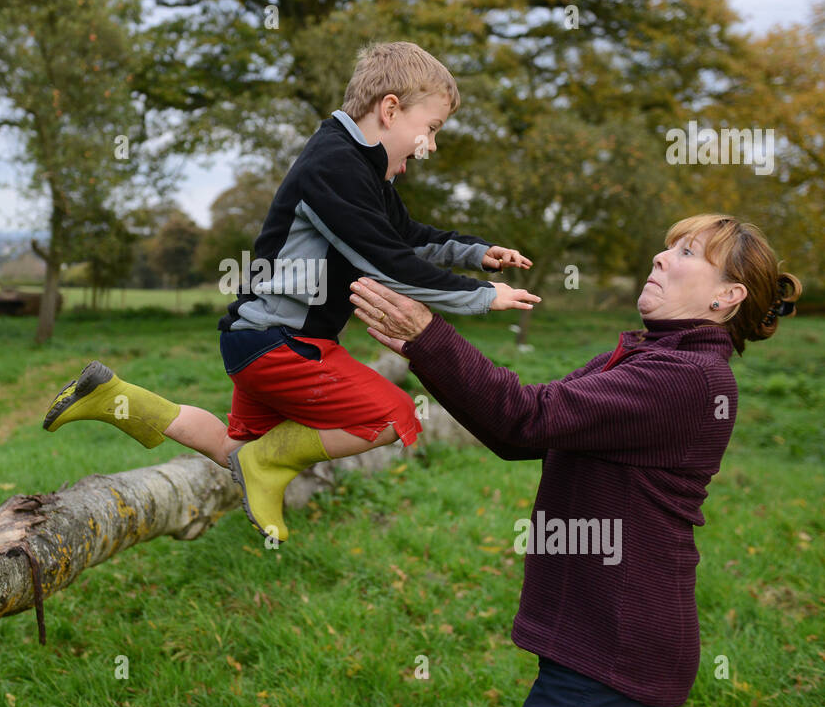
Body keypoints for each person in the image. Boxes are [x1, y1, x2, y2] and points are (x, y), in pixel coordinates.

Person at [41, 41, 540, 543]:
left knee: (236, 447)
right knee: (395, 416)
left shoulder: (358, 169)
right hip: (281, 344)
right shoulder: (335, 166)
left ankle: (113, 396)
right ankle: (264, 464)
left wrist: (475, 253)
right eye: (430, 130)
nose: (428, 145)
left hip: (253, 338)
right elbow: (389, 262)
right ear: (390, 109)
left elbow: (405, 237)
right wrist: (481, 297)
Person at [348, 213, 801, 707]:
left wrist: (430, 337)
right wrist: (424, 347)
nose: (661, 256)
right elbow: (520, 435)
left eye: (688, 253)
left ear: (728, 297)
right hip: (600, 640)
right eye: (670, 246)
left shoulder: (687, 377)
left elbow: (524, 416)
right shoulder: (649, 356)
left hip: (616, 654)